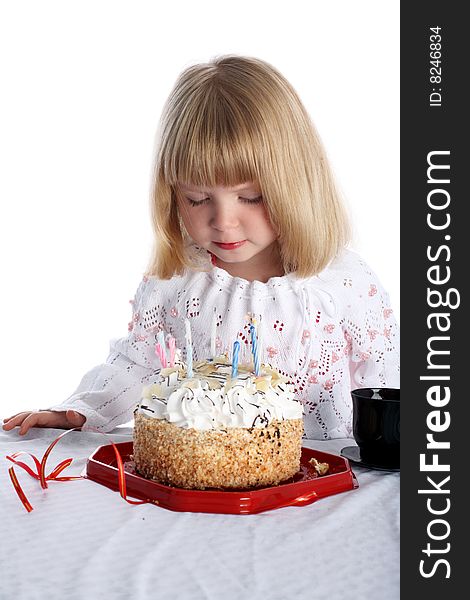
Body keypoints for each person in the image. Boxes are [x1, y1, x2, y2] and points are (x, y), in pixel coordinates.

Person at [3, 55, 399, 440]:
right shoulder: (179, 281)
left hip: (325, 485)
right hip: (208, 489)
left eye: (251, 197)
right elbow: (137, 363)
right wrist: (81, 409)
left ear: (297, 184)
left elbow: (388, 380)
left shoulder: (343, 285)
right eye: (196, 198)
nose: (223, 221)